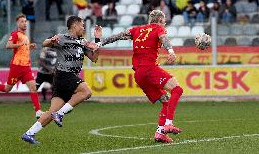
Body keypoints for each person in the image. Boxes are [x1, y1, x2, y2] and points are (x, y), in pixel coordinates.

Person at [95, 10, 191, 143]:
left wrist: (99, 43)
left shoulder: (137, 29)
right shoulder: (158, 28)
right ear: (160, 21)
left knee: (165, 101)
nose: (165, 24)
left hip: (139, 75)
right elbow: (164, 39)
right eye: (164, 22)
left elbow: (117, 36)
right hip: (149, 69)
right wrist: (171, 51)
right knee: (177, 89)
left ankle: (160, 133)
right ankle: (168, 123)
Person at [21, 16, 101, 145]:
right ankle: (60, 114)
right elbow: (45, 43)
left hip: (64, 78)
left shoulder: (82, 41)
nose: (84, 28)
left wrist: (98, 40)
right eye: (82, 25)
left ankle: (29, 133)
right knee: (86, 92)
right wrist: (51, 40)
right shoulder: (63, 37)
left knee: (51, 112)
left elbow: (94, 58)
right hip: (64, 74)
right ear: (74, 26)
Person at [0, 14, 44, 118]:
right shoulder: (15, 34)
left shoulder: (25, 36)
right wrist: (18, 45)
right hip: (17, 67)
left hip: (26, 67)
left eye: (25, 21)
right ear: (18, 23)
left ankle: (38, 111)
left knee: (33, 87)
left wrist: (29, 46)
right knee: (7, 88)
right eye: (22, 21)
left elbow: (23, 49)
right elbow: (8, 45)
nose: (24, 23)